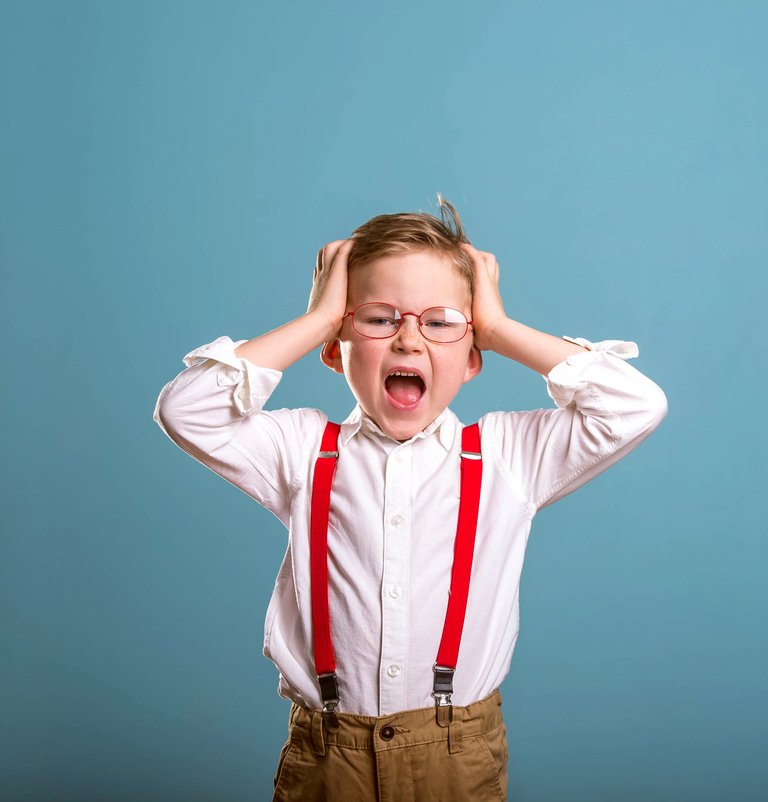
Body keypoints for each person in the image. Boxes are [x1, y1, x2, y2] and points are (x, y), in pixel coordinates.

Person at [153, 196, 667, 801]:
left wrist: (499, 326)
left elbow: (637, 405)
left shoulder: (507, 457)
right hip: (328, 754)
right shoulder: (300, 449)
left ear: (474, 357)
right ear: (333, 347)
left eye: (441, 320)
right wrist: (318, 317)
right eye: (377, 317)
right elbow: (186, 410)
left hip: (457, 753)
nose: (408, 340)